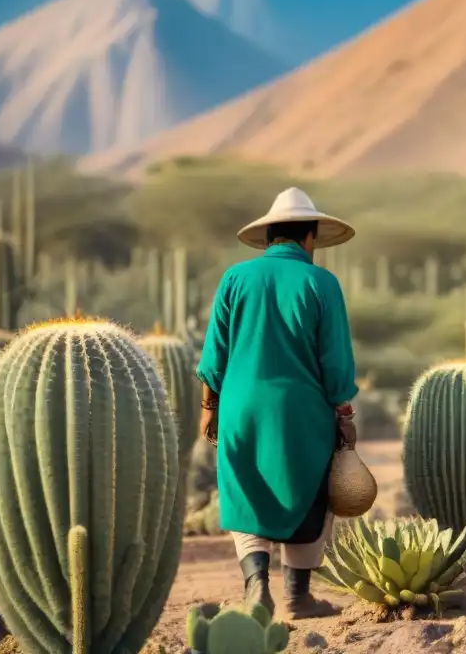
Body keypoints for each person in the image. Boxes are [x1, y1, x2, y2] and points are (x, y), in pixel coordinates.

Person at [197, 187, 359, 619]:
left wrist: (209, 406)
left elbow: (216, 350)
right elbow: (336, 359)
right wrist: (344, 413)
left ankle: (255, 587)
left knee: (244, 492)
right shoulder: (321, 283)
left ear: (269, 236)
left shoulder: (235, 277)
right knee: (307, 495)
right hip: (301, 412)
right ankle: (297, 597)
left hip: (240, 407)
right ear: (309, 238)